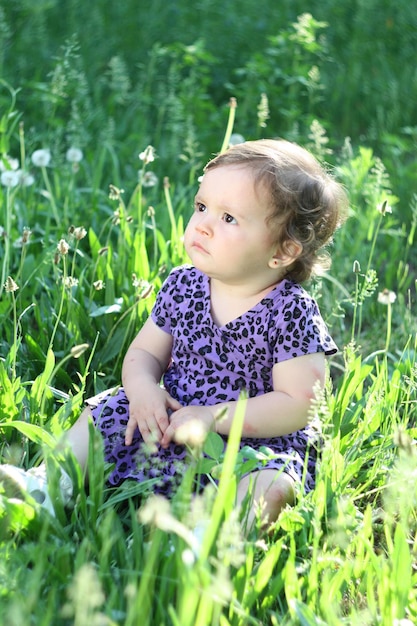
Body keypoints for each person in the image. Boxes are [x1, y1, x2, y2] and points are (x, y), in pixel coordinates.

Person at [0, 139, 347, 530]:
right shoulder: (183, 285)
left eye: (229, 218)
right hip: (171, 420)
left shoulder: (291, 311)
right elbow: (144, 354)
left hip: (254, 443)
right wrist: (143, 390)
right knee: (105, 413)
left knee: (271, 485)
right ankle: (46, 487)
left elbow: (299, 404)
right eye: (202, 207)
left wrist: (213, 418)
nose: (202, 224)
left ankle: (208, 538)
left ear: (282, 252)